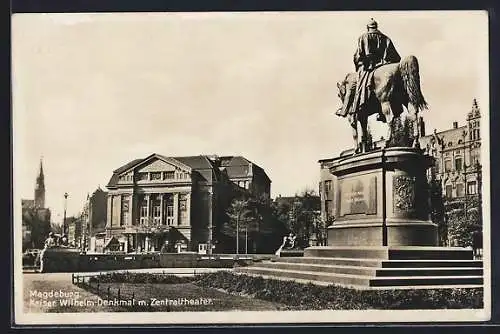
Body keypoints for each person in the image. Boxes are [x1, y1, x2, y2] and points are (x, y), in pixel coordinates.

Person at [337, 19, 401, 120]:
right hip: (385, 65)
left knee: (351, 86)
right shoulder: (386, 38)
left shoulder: (363, 37)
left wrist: (361, 62)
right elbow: (397, 57)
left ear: (368, 27)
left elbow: (358, 56)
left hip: (368, 67)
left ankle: (346, 109)